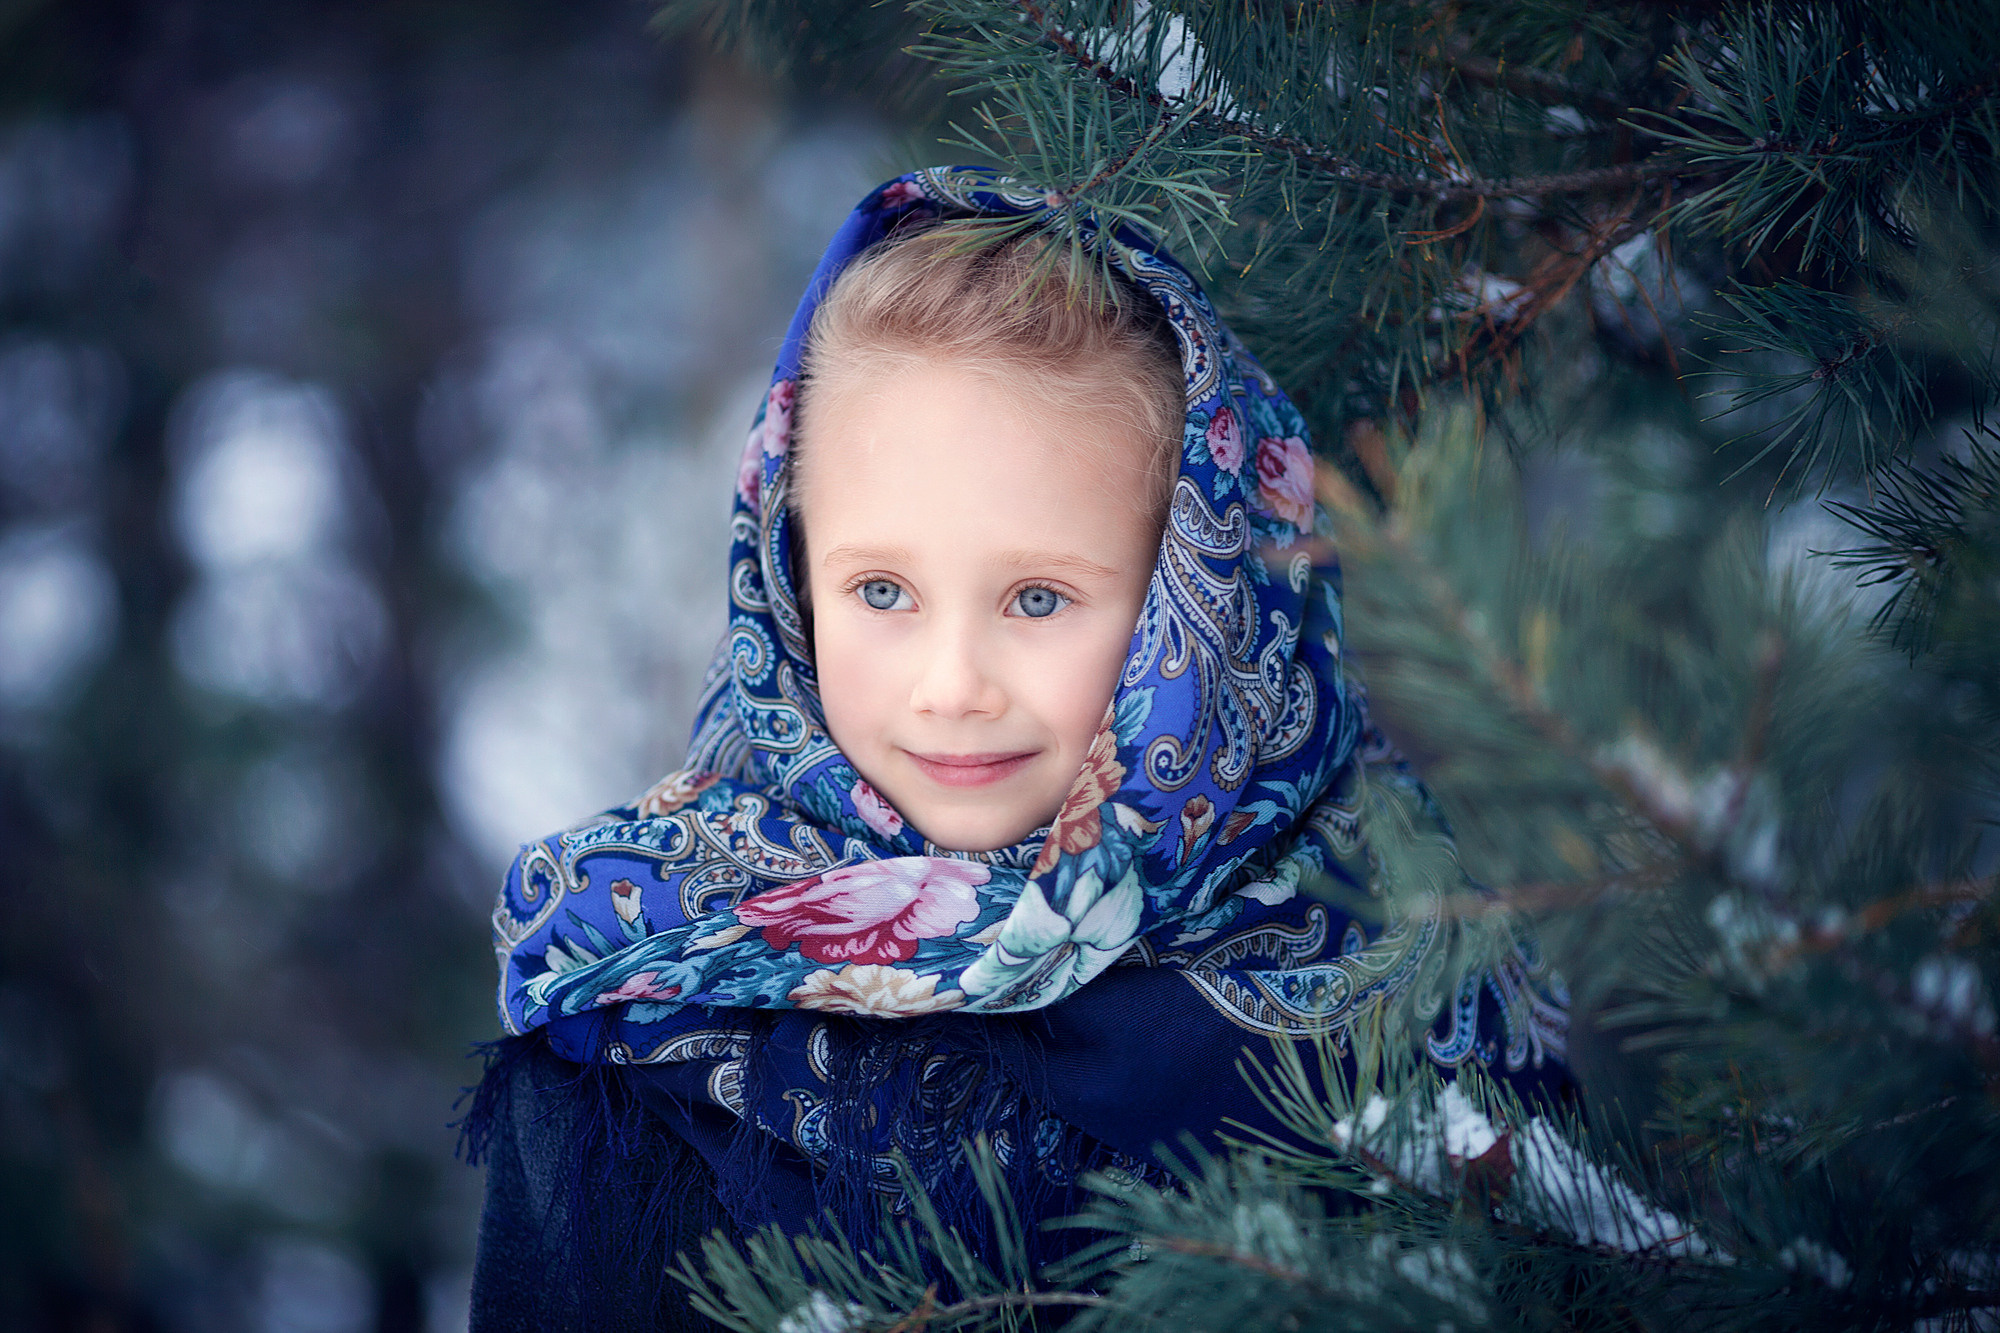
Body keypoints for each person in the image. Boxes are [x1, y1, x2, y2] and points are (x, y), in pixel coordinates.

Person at [460, 167, 1571, 1332]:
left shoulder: (1404, 976)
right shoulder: (629, 1010)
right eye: (880, 588)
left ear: (1191, 608)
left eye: (1038, 598)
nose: (950, 687)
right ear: (791, 576)